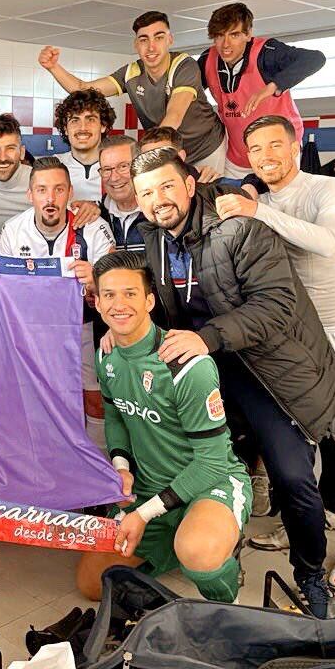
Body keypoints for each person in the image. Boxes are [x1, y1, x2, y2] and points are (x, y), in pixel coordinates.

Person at [130, 147, 335, 617]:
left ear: (190, 185)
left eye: (167, 186)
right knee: (207, 466)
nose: (158, 199)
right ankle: (217, 549)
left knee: (292, 478)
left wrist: (205, 338)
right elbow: (153, 303)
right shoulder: (152, 238)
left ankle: (309, 572)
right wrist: (117, 331)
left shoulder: (241, 228)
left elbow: (275, 306)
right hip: (210, 370)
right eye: (147, 192)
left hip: (269, 372)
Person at [216, 115, 335, 589]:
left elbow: (325, 243)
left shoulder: (330, 190)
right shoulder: (257, 201)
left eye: (274, 145)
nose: (266, 156)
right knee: (304, 438)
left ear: (295, 145)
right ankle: (301, 525)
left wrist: (254, 212)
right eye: (255, 149)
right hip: (291, 338)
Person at [75, 251, 251, 603]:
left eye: (130, 293)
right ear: (96, 302)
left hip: (209, 484)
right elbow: (115, 418)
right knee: (93, 585)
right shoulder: (106, 354)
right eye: (109, 294)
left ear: (150, 300)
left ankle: (222, 574)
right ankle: (174, 545)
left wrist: (142, 514)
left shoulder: (186, 363)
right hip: (150, 488)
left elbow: (212, 462)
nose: (119, 304)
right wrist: (121, 469)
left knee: (199, 553)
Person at [0, 157, 114, 447]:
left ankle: (98, 468)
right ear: (30, 195)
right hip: (33, 332)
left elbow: (114, 285)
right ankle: (43, 463)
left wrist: (95, 278)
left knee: (94, 400)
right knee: (36, 400)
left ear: (70, 193)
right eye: (41, 190)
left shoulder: (93, 228)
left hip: (83, 327)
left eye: (58, 190)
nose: (50, 198)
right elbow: (2, 290)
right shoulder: (14, 230)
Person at [38, 12, 228, 175]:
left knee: (207, 201)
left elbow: (174, 115)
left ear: (170, 40)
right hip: (167, 148)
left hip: (206, 148)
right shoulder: (131, 73)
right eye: (144, 40)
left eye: (159, 37)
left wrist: (145, 153)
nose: (151, 47)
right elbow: (81, 88)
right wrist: (53, 67)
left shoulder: (184, 65)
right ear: (136, 44)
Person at [199, 3, 325, 174]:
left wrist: (272, 86)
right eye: (220, 36)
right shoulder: (208, 59)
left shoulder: (267, 52)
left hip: (279, 151)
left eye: (234, 35)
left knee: (280, 199)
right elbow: (185, 91)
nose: (226, 44)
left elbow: (315, 59)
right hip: (237, 156)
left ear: (248, 34)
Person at [54, 89, 115, 202]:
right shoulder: (54, 166)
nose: (82, 128)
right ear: (65, 129)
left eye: (90, 119)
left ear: (103, 126)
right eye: (74, 120)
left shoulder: (119, 168)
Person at [98, 136, 144, 252]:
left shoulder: (161, 214)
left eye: (123, 166)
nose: (114, 178)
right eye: (107, 169)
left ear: (140, 167)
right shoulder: (97, 217)